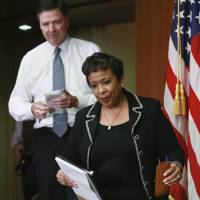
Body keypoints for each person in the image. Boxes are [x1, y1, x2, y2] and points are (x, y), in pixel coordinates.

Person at [56, 52, 185, 200]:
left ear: (121, 78)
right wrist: (63, 174)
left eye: (106, 82)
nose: (100, 90)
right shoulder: (84, 117)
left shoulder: (149, 110)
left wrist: (176, 165)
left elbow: (173, 150)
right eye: (94, 85)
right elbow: (68, 159)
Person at [8, 0, 100, 199]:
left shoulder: (90, 50)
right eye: (45, 24)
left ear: (66, 20)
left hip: (83, 133)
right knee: (50, 194)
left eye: (56, 22)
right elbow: (14, 103)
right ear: (39, 24)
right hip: (46, 138)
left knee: (84, 194)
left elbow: (107, 97)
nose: (51, 29)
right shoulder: (30, 59)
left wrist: (78, 101)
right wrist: (32, 108)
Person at [11, 121, 38, 200]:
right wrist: (16, 145)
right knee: (29, 194)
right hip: (29, 166)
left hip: (51, 165)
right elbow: (15, 138)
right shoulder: (22, 116)